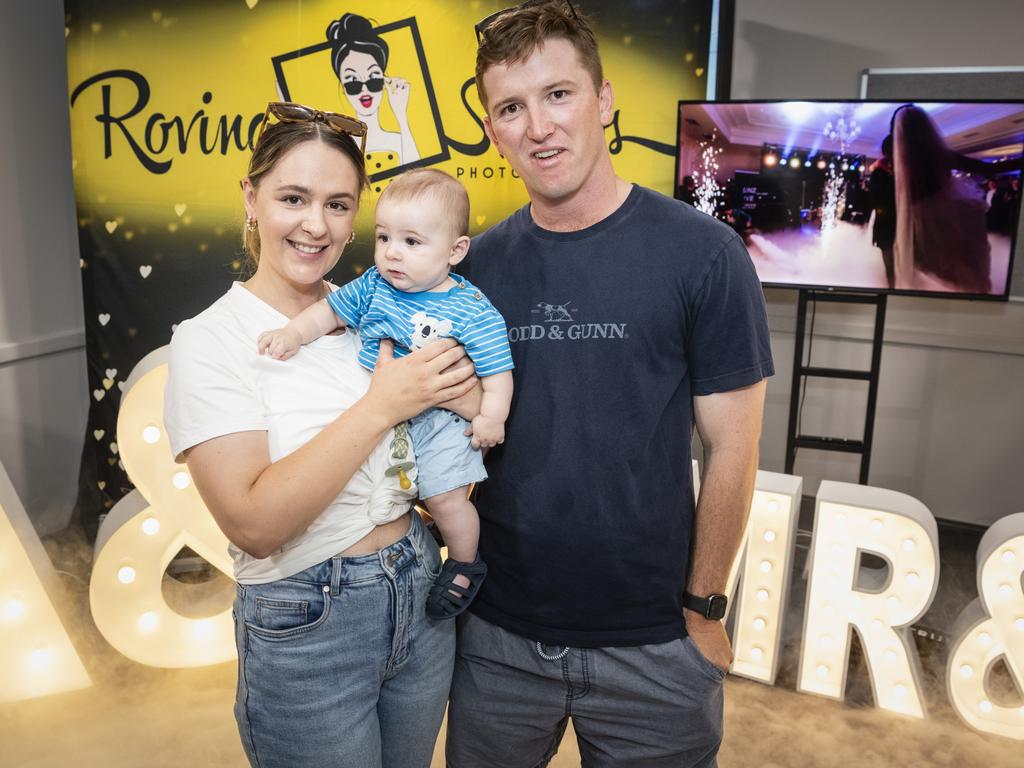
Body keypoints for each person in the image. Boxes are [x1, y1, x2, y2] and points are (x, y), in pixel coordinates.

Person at [446, 3, 774, 767]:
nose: (538, 126)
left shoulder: (705, 255)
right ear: (494, 130)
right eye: (511, 108)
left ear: (604, 99)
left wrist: (702, 610)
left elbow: (735, 446)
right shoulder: (473, 272)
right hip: (496, 641)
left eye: (558, 94)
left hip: (655, 645)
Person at [163, 102, 477, 768]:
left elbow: (464, 409)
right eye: (293, 198)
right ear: (251, 198)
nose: (316, 225)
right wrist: (381, 406)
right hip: (308, 613)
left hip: (419, 588)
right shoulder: (209, 341)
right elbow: (253, 523)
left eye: (338, 204)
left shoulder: (379, 309)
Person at [256, 168, 514, 619]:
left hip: (439, 424)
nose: (392, 253)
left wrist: (491, 415)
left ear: (455, 250)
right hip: (388, 419)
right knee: (393, 491)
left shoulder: (472, 309)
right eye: (383, 238)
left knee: (445, 499)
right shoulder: (375, 285)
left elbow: (497, 372)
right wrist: (295, 334)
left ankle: (465, 562)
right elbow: (328, 312)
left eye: (412, 242)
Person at [328, 13, 420, 168]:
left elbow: (418, 178)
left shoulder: (399, 141)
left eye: (373, 79)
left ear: (384, 80)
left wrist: (401, 115)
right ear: (342, 87)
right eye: (353, 82)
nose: (364, 89)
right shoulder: (339, 149)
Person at [868, 134, 896, 289]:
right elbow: (877, 199)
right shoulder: (880, 173)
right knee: (891, 267)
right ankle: (893, 291)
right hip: (887, 226)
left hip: (891, 226)